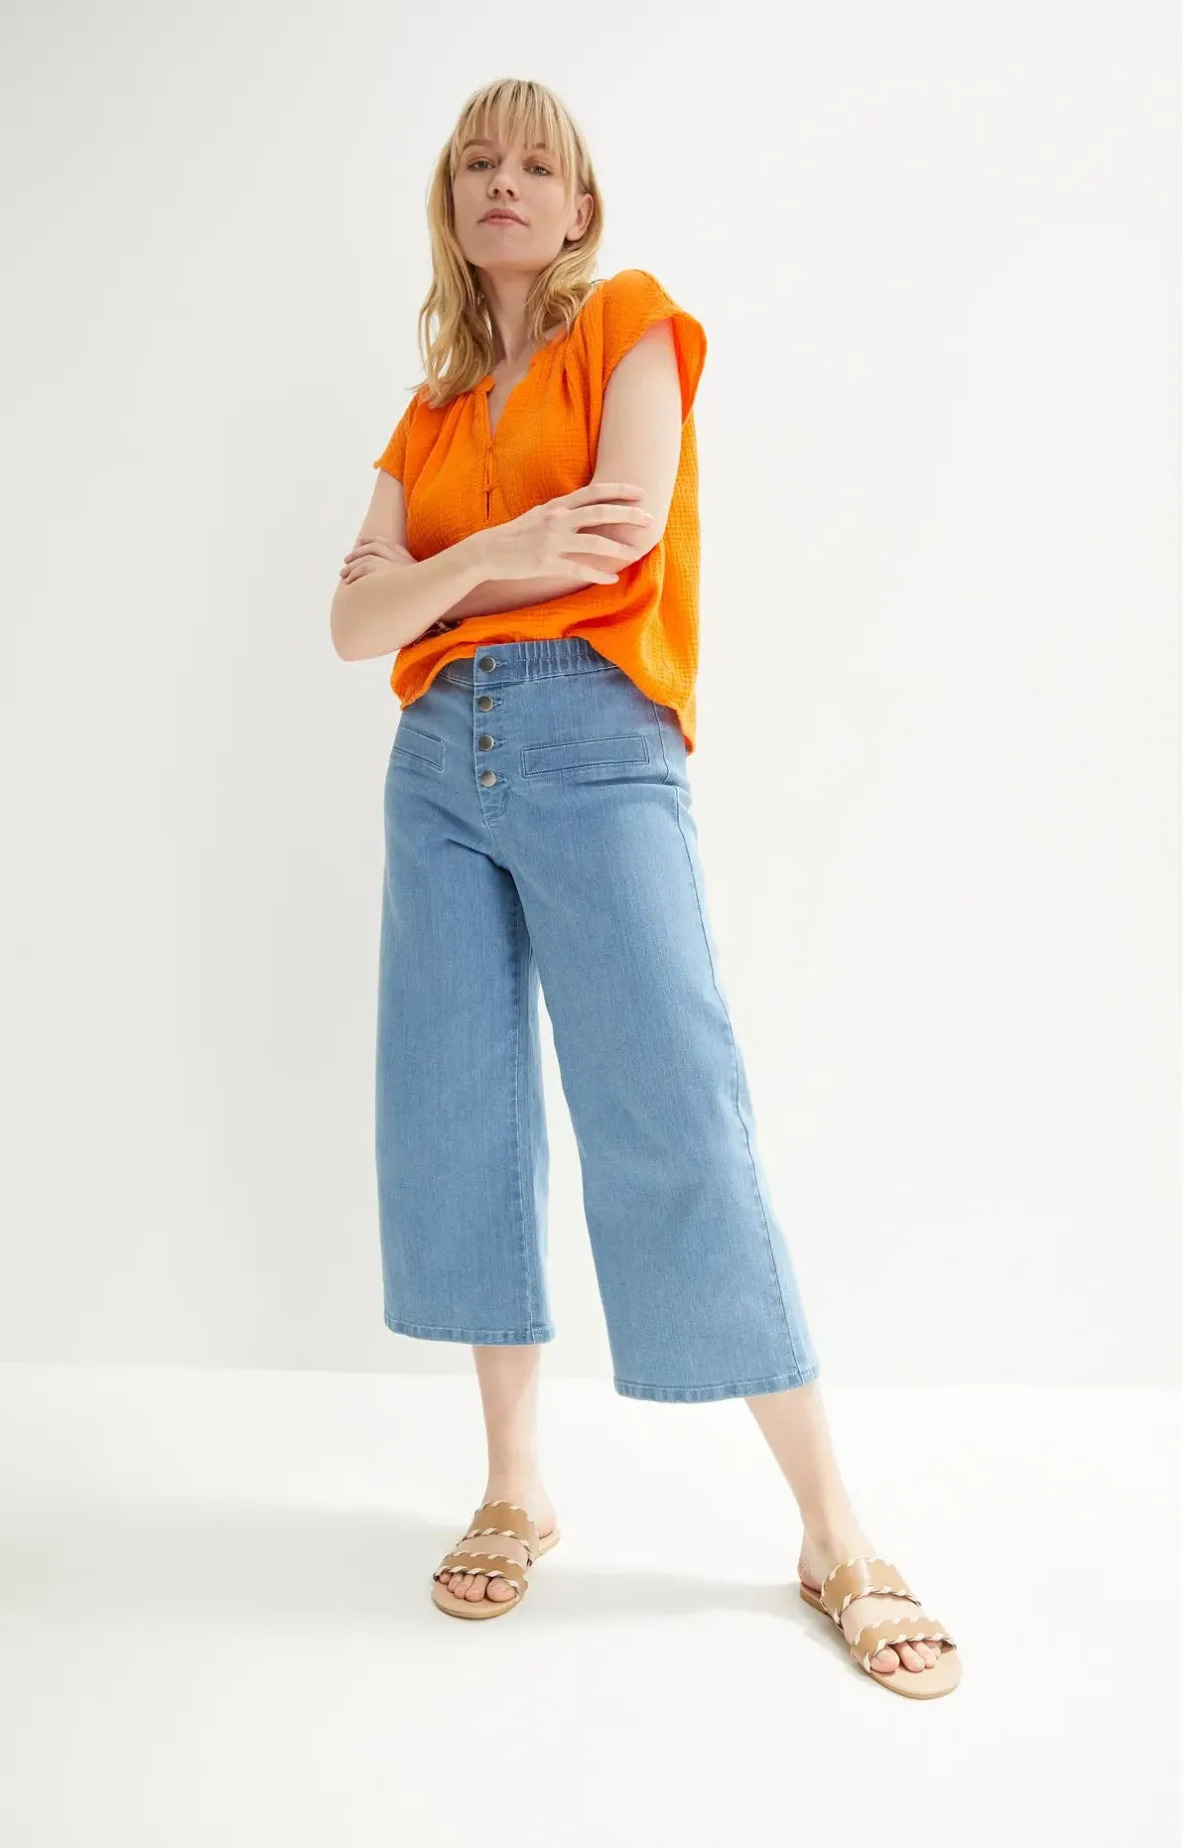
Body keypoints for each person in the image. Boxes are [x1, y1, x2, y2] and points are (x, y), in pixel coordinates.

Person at [332, 77, 960, 1700]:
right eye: (478, 161)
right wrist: (490, 558)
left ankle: (833, 1530)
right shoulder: (427, 413)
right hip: (436, 769)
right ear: (449, 203)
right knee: (460, 1117)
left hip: (598, 743)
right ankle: (514, 1487)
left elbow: (616, 540)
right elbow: (348, 627)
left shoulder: (630, 325)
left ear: (581, 205)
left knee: (675, 1115)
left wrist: (430, 581)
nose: (506, 182)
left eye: (537, 164)